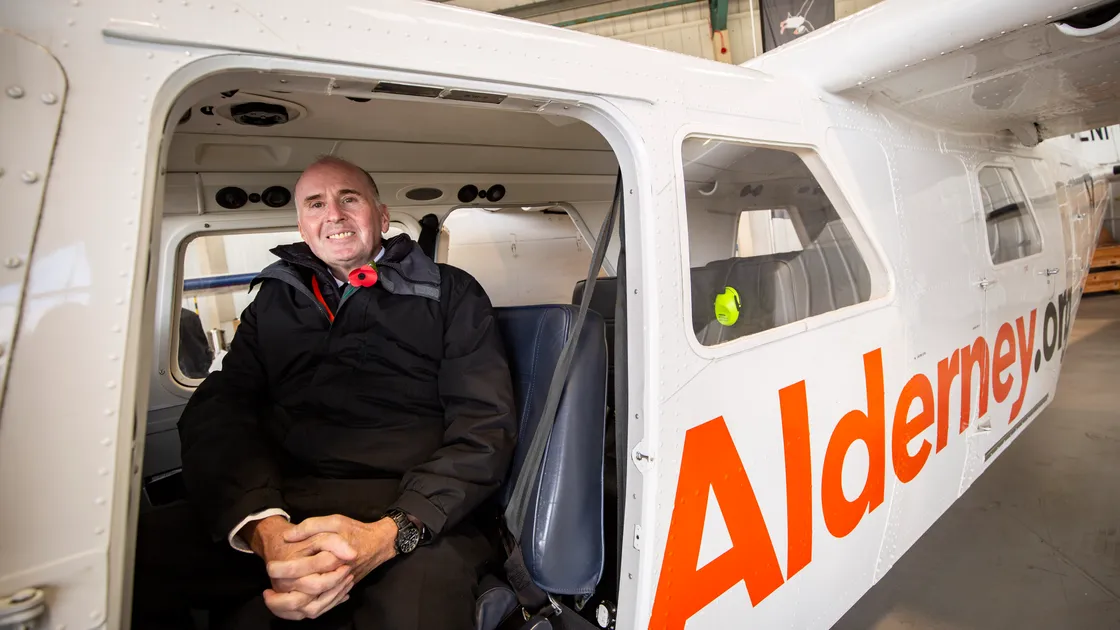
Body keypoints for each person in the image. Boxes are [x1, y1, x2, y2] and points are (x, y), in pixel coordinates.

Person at [134, 156, 517, 629]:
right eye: (316, 204)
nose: (333, 214)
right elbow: (219, 406)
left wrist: (392, 532)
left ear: (380, 216)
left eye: (348, 199)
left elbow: (484, 429)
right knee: (136, 554)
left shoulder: (450, 294)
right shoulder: (278, 296)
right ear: (302, 225)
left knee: (417, 612)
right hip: (282, 501)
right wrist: (262, 527)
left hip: (407, 508)